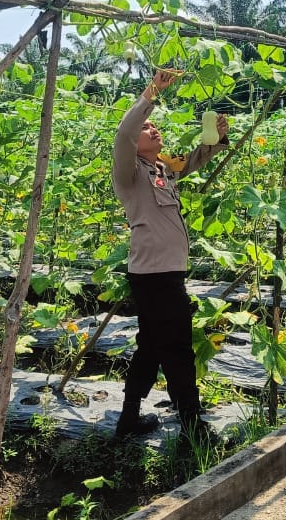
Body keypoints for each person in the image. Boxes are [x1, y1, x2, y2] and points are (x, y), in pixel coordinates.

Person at [111, 69, 228, 440]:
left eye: (156, 127)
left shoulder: (163, 169)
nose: (153, 129)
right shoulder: (128, 172)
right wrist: (152, 92)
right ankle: (192, 424)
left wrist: (215, 139)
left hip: (165, 273)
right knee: (177, 344)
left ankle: (129, 418)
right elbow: (124, 133)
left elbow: (191, 162)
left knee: (150, 347)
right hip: (154, 275)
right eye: (149, 128)